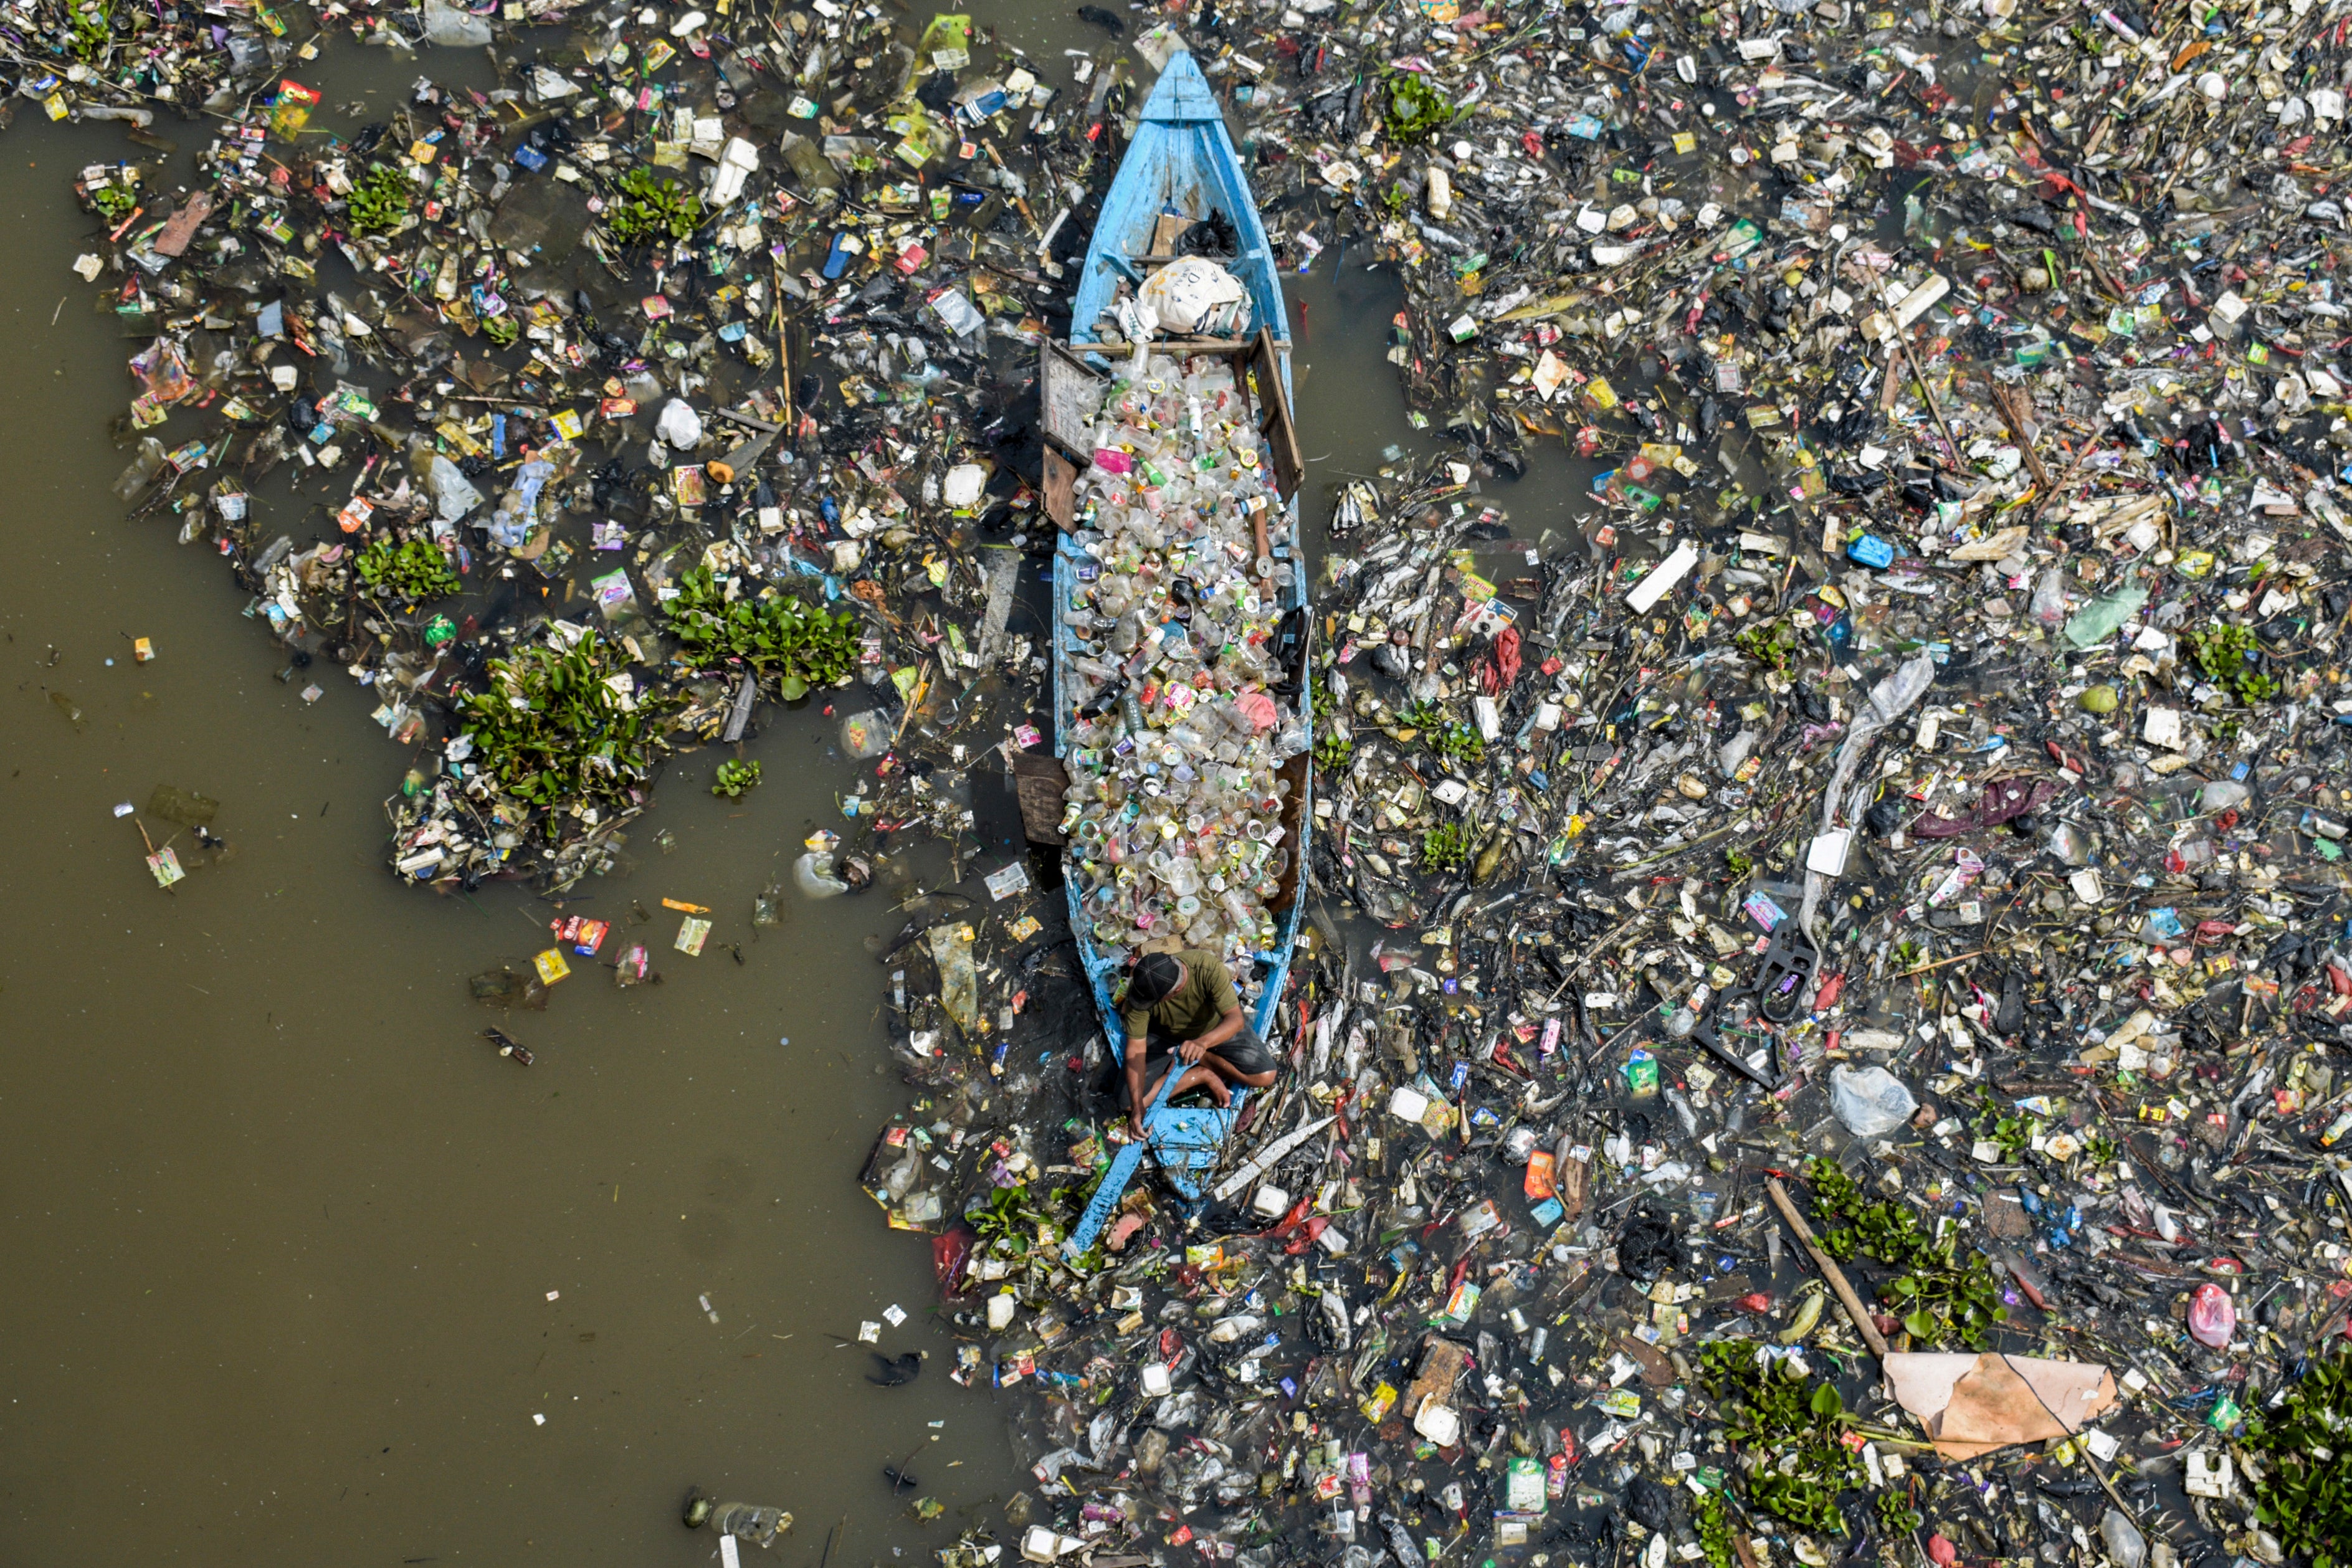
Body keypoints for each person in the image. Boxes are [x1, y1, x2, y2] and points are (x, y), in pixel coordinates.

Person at [1119, 948, 1280, 1139]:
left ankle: (1200, 1057)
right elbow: (1135, 1048)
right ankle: (1203, 1074)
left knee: (1266, 1076)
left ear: (1176, 991)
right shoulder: (1142, 992)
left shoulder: (1207, 968)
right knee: (1130, 1102)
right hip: (1165, 1037)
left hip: (1212, 1031)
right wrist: (1138, 1109)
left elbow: (1235, 1020)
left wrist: (1202, 1044)